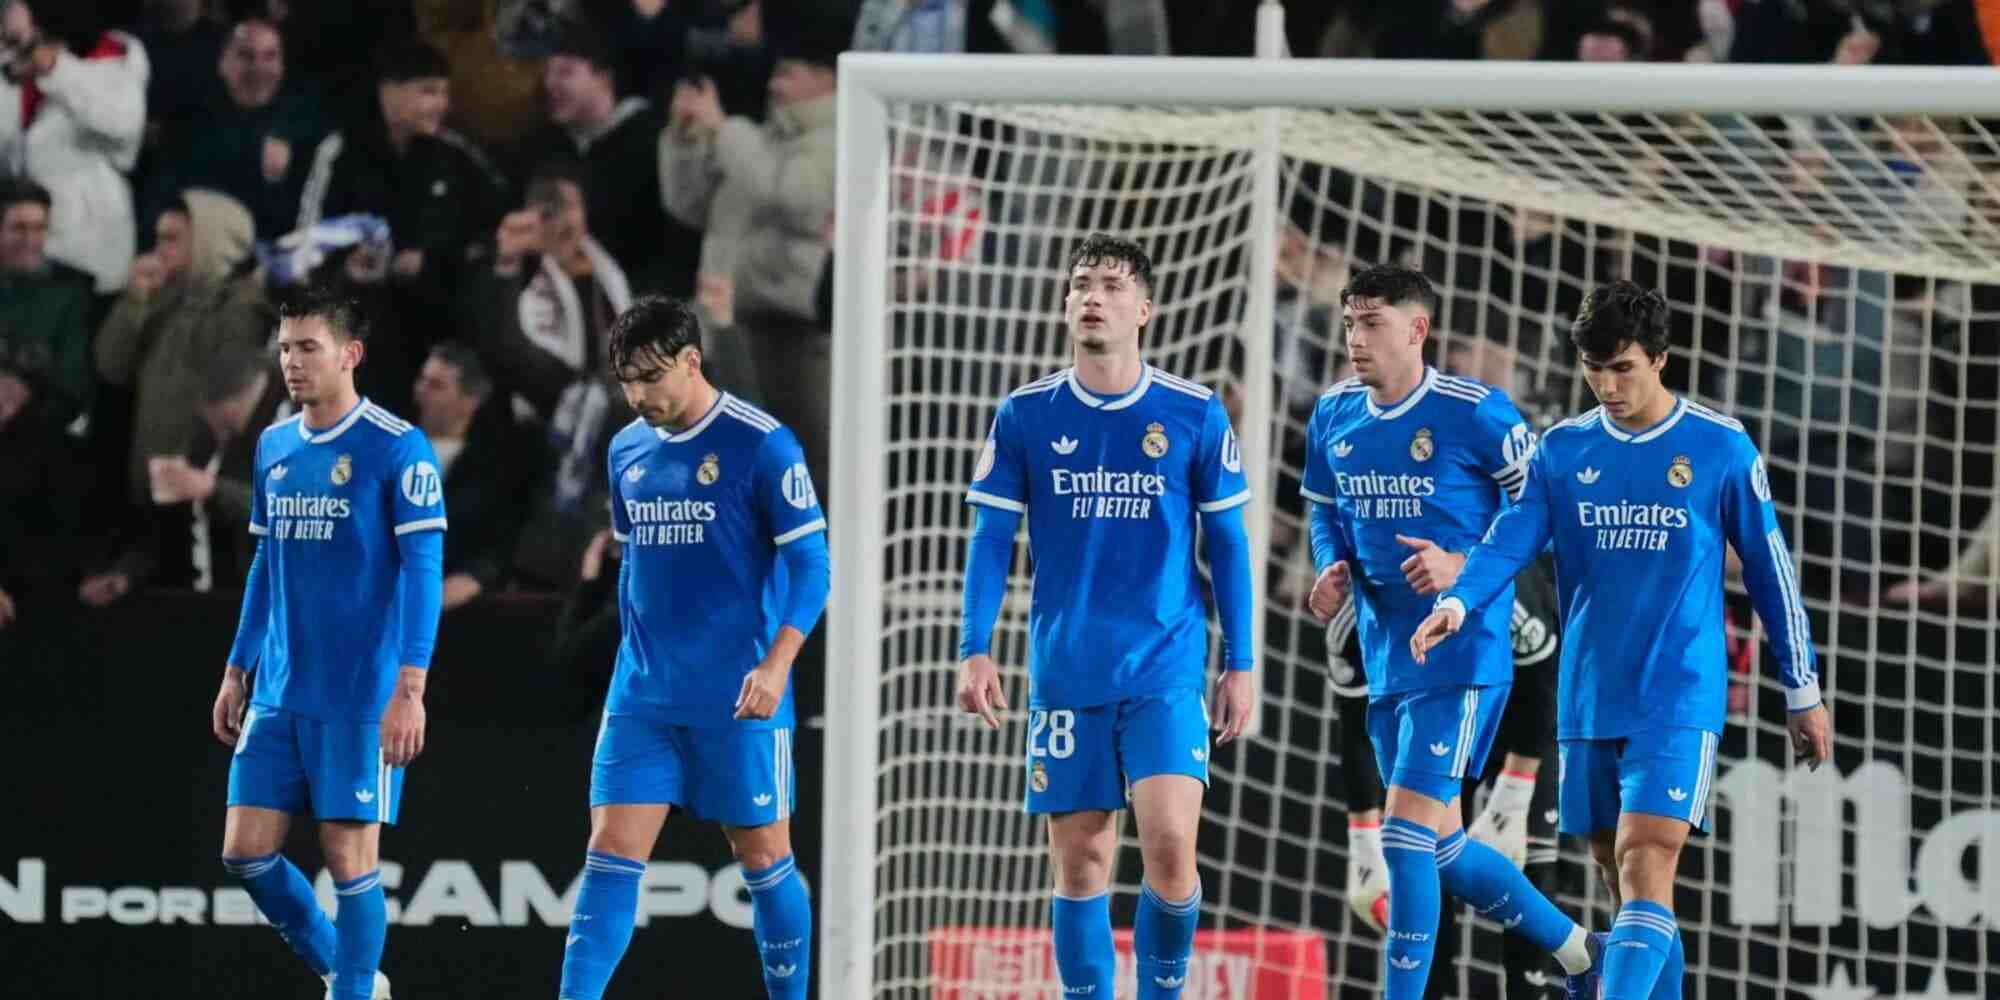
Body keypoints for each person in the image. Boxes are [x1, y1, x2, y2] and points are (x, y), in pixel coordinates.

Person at [1414, 280, 1835, 1000]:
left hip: (1677, 694)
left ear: (1660, 359)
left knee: (1648, 860)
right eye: (1593, 368)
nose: (1606, 385)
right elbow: (1509, 538)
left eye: (1622, 368)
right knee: (1621, 877)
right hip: (1587, 696)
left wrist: (1803, 691)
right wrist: (1458, 601)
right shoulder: (1563, 450)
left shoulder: (1719, 447)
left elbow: (1773, 575)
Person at [955, 233, 1256, 998]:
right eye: (1082, 283)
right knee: (1083, 861)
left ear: (1144, 309)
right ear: (1065, 304)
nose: (1093, 295)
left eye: (1113, 285)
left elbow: (1227, 544)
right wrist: (974, 646)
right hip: (1067, 669)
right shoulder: (1025, 414)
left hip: (1165, 662)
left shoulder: (1192, 412)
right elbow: (992, 538)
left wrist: (1241, 661)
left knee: (1169, 843)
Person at [1298, 265, 1592, 1000]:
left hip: (1467, 652)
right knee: (1446, 847)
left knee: (1403, 840)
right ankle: (1586, 953)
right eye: (1348, 322)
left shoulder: (1477, 412)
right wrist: (1331, 567)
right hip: (1386, 654)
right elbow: (1324, 511)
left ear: (1417, 329)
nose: (1355, 338)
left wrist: (1464, 566)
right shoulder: (1334, 415)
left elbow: (1545, 517)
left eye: (1371, 323)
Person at [556, 296, 830, 1000]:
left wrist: (777, 664)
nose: (638, 395)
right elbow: (636, 565)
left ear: (691, 361)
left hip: (738, 696)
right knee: (610, 853)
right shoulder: (626, 451)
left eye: (652, 376)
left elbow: (812, 568)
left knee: (765, 858)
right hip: (644, 694)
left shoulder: (762, 444)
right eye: (626, 380)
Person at [209, 286, 445, 1000]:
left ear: (351, 354)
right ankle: (354, 980)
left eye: (307, 347)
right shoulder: (275, 446)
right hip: (280, 688)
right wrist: (236, 668)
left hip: (359, 694)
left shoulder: (398, 447)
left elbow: (426, 571)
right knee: (245, 854)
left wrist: (410, 690)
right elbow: (263, 564)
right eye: (284, 348)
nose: (292, 362)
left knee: (350, 858)